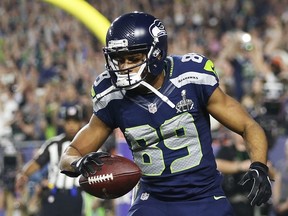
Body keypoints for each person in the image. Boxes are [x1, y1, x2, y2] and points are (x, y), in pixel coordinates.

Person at [59, 11, 272, 216]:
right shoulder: (112, 96)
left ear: (156, 53)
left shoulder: (191, 78)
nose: (124, 67)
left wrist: (259, 166)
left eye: (132, 59)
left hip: (204, 197)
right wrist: (79, 163)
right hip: (153, 201)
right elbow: (70, 153)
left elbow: (248, 125)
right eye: (119, 59)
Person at [15, 105, 84, 216]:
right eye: (68, 122)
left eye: (74, 122)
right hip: (53, 194)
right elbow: (37, 162)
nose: (71, 125)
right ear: (64, 123)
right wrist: (23, 174)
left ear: (80, 123)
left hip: (74, 195)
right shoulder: (53, 144)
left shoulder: (88, 145)